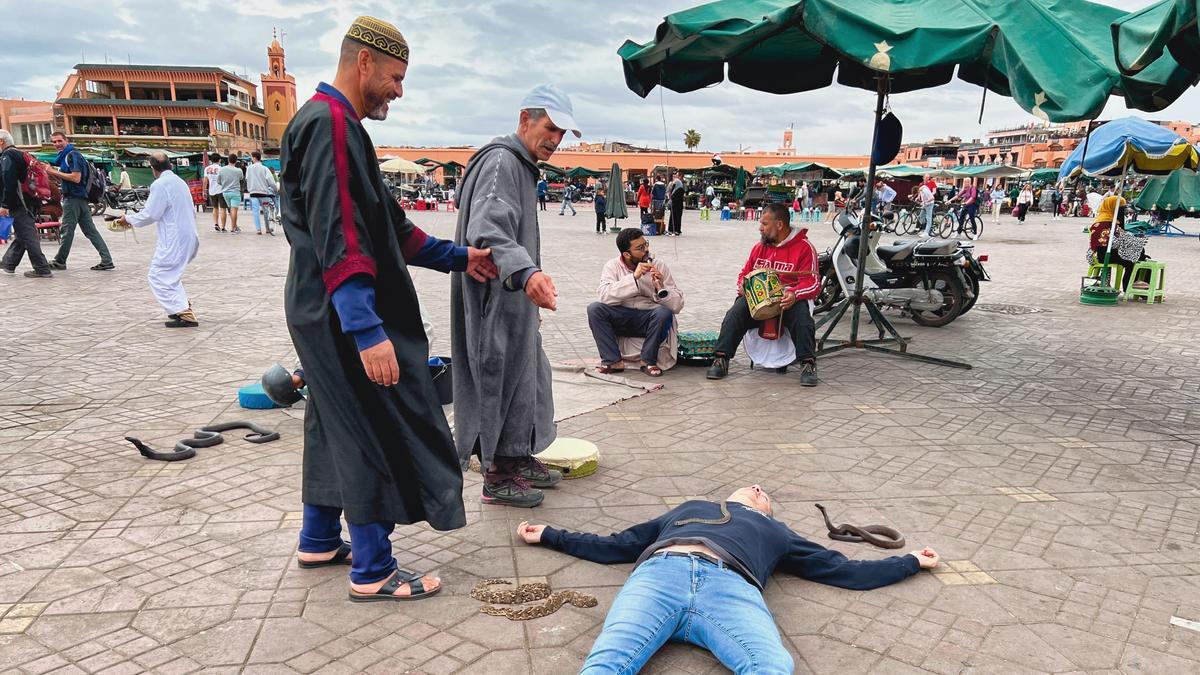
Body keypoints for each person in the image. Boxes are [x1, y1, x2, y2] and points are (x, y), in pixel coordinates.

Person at [281, 16, 498, 602]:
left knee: (331, 420)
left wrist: (459, 257)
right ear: (363, 64)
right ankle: (373, 568)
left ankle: (319, 537)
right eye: (396, 78)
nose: (399, 91)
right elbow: (342, 237)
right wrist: (367, 329)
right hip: (338, 310)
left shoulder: (335, 124)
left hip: (317, 305)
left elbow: (389, 229)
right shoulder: (329, 125)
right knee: (367, 426)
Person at [516, 485, 940, 673]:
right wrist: (550, 535)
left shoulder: (779, 533)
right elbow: (618, 544)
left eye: (765, 494)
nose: (758, 487)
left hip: (731, 589)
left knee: (773, 665)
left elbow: (843, 569)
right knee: (606, 664)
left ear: (769, 511)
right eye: (752, 485)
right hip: (660, 575)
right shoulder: (689, 507)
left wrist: (910, 562)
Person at [451, 84, 581, 509]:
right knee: (497, 377)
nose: (555, 140)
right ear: (525, 119)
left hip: (517, 296)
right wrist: (526, 274)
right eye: (550, 129)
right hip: (495, 295)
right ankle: (497, 473)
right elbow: (487, 228)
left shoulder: (521, 163)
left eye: (562, 134)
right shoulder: (502, 161)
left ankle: (517, 455)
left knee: (528, 374)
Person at [706, 203, 820, 386]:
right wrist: (743, 285)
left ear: (780, 225)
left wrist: (794, 294)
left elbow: (813, 283)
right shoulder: (759, 248)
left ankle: (807, 363)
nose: (760, 228)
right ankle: (721, 358)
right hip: (758, 301)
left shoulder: (805, 248)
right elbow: (744, 274)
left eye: (764, 224)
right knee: (735, 313)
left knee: (802, 318)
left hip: (787, 302)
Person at [112, 152, 200, 327]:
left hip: (175, 238)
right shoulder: (179, 182)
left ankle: (184, 312)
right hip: (187, 235)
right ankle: (180, 308)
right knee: (170, 275)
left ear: (152, 168)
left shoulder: (160, 184)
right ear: (170, 165)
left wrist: (128, 219)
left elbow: (151, 214)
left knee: (158, 275)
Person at [588, 228, 684, 377]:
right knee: (595, 309)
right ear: (626, 254)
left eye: (646, 244)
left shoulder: (660, 265)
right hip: (622, 316)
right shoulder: (612, 266)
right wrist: (634, 278)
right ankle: (612, 361)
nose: (646, 250)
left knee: (664, 313)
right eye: (640, 248)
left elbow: (677, 305)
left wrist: (662, 288)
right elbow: (605, 296)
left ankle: (648, 361)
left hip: (649, 318)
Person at [45, 132, 114, 271]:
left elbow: (76, 178)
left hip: (74, 199)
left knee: (67, 230)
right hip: (81, 199)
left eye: (59, 141)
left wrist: (52, 171)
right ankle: (107, 260)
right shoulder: (65, 157)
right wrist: (53, 173)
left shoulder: (72, 155)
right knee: (90, 231)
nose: (57, 144)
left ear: (66, 141)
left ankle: (60, 261)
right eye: (54, 142)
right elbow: (68, 178)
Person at [0, 129, 53, 277]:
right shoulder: (19, 153)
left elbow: (9, 182)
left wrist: (5, 205)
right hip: (29, 200)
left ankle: (42, 269)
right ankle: (9, 263)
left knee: (27, 235)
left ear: (1, 142)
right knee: (23, 233)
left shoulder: (8, 156)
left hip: (19, 202)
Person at [245, 150, 277, 235]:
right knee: (266, 211)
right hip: (264, 194)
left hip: (253, 193)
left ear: (254, 158)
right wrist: (275, 189)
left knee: (256, 211)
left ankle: (258, 229)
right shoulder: (265, 168)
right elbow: (271, 181)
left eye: (252, 157)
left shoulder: (249, 168)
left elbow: (247, 179)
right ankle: (267, 229)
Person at [218, 153, 244, 233]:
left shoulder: (222, 169)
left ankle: (234, 226)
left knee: (230, 210)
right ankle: (233, 228)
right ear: (236, 161)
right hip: (235, 192)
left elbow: (218, 181)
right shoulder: (239, 170)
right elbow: (241, 178)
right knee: (234, 210)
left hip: (225, 193)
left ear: (228, 160)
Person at [203, 153, 227, 231]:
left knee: (215, 208)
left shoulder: (207, 169)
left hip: (211, 191)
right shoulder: (222, 169)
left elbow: (205, 181)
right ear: (219, 160)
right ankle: (223, 227)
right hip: (221, 190)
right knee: (223, 208)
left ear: (211, 160)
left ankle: (216, 224)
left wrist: (204, 191)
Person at [666, 170, 684, 236]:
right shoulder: (681, 185)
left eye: (676, 175)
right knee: (678, 217)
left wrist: (669, 195)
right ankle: (677, 230)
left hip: (675, 203)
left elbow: (670, 189)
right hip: (679, 204)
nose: (675, 177)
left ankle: (671, 230)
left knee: (673, 217)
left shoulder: (676, 181)